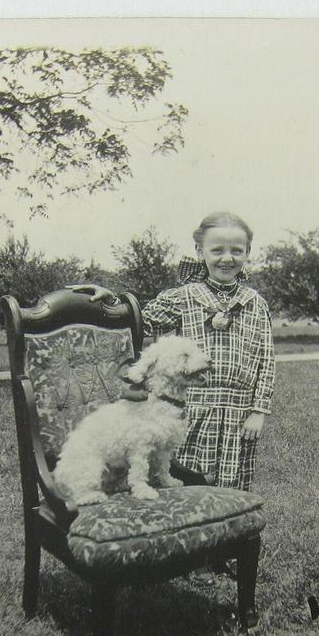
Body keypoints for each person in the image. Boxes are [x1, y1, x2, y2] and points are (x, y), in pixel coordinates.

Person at [71, 210, 276, 493]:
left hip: (239, 414)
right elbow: (140, 321)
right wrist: (113, 301)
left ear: (248, 252)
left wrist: (258, 411)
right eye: (217, 250)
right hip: (192, 408)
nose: (226, 258)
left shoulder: (256, 303)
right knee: (190, 482)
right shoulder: (183, 298)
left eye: (236, 250)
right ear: (199, 250)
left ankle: (234, 534)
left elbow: (266, 361)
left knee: (234, 487)